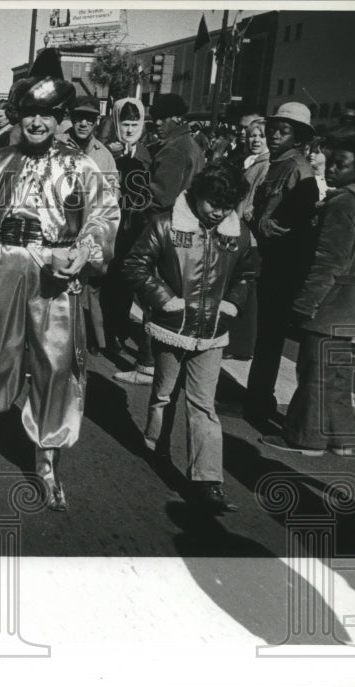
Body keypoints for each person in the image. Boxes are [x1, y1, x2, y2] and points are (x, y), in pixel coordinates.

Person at [0, 49, 120, 511]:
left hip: (53, 276)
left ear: (61, 117)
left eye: (48, 113)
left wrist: (83, 250)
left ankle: (46, 459)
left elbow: (103, 217)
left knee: (54, 365)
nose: (38, 121)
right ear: (21, 115)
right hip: (2, 265)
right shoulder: (0, 162)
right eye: (31, 112)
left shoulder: (82, 166)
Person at [123, 163, 257, 514]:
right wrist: (165, 301)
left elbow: (248, 271)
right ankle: (155, 446)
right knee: (164, 395)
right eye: (213, 203)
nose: (219, 212)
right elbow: (135, 264)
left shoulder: (237, 232)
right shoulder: (163, 224)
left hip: (213, 332)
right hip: (172, 326)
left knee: (203, 405)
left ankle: (207, 480)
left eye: (227, 206)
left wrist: (231, 304)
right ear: (197, 195)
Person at [261, 140, 355, 457]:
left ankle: (305, 438)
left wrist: (304, 304)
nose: (331, 167)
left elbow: (328, 261)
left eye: (341, 163)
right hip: (352, 299)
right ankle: (340, 437)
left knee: (313, 372)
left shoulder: (342, 204)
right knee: (338, 374)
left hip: (330, 300)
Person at [114, 93, 205, 386]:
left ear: (175, 119)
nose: (157, 126)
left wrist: (128, 201)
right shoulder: (191, 145)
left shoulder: (174, 149)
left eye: (161, 120)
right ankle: (160, 364)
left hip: (164, 231)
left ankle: (148, 364)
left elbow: (158, 196)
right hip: (183, 231)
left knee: (154, 298)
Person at [244, 102, 319, 428]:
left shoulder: (298, 171)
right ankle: (256, 398)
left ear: (298, 136)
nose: (274, 135)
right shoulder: (279, 164)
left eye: (283, 131)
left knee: (271, 339)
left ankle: (259, 404)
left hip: (282, 267)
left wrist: (257, 222)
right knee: (265, 337)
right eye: (273, 128)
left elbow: (293, 228)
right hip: (269, 262)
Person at [61, 96, 118, 354]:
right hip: (59, 226)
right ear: (72, 119)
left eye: (90, 119)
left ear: (96, 122)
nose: (83, 123)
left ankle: (95, 340)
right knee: (59, 284)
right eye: (79, 117)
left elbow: (111, 197)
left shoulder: (103, 156)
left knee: (90, 286)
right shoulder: (57, 145)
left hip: (89, 228)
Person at [102, 97, 152, 356]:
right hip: (111, 225)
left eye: (134, 124)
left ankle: (121, 332)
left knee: (129, 284)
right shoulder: (106, 152)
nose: (130, 130)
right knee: (109, 284)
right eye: (125, 124)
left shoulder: (149, 152)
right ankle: (108, 335)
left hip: (137, 229)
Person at [224, 113, 270, 362]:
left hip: (247, 233)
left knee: (245, 289)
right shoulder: (250, 161)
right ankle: (236, 343)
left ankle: (241, 346)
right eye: (252, 135)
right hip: (237, 227)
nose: (255, 139)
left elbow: (251, 201)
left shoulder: (264, 164)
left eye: (260, 136)